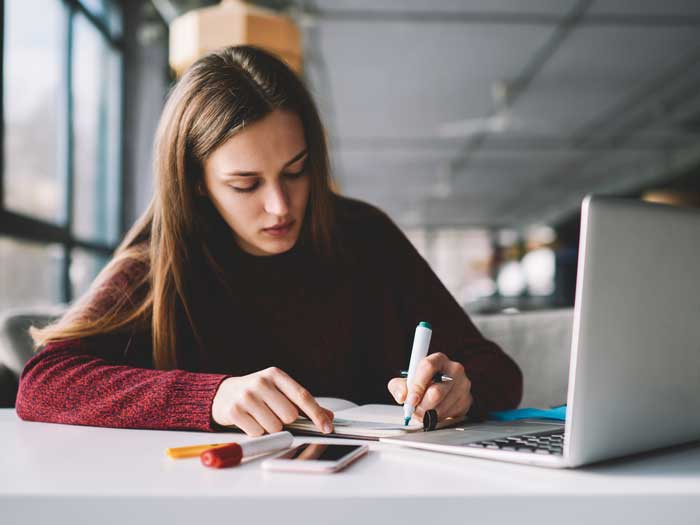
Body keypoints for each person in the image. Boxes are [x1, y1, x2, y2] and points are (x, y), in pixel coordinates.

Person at [16, 46, 522, 436]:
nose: (281, 206)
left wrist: (454, 389)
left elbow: (497, 371)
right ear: (196, 182)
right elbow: (43, 383)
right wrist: (211, 397)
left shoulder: (365, 236)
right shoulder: (159, 262)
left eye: (296, 172)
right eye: (246, 185)